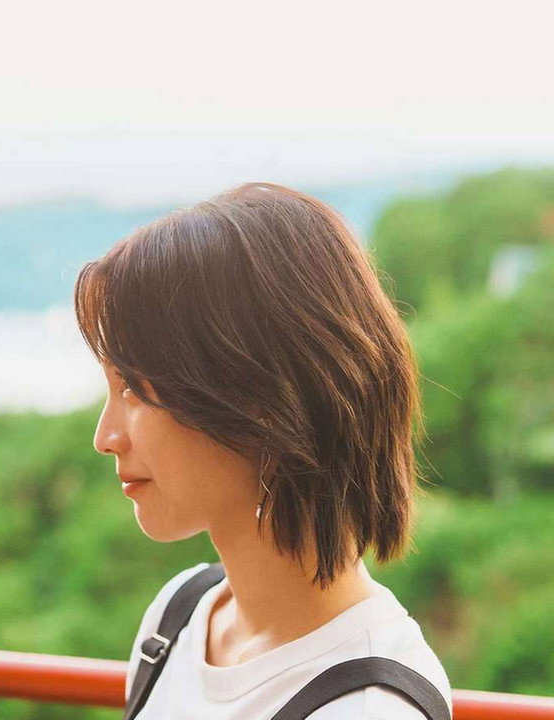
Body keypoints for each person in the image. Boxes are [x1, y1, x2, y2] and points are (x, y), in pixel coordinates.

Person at [74, 183, 451, 719]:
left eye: (134, 387)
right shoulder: (180, 615)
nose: (105, 436)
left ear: (257, 401)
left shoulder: (369, 708)